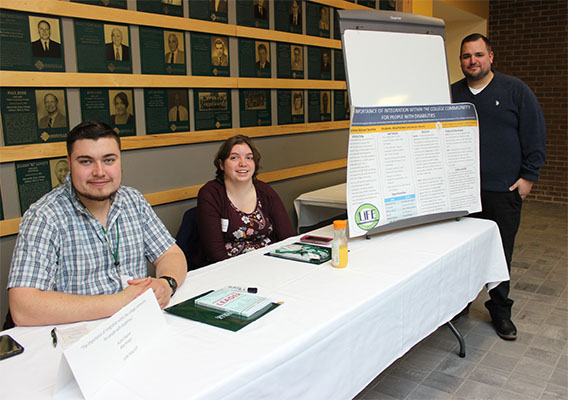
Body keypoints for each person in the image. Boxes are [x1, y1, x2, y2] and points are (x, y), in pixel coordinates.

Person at [7, 120, 186, 326]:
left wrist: (166, 283)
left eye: (108, 160)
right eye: (86, 161)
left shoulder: (133, 201)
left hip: (137, 326)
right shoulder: (44, 216)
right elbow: (23, 307)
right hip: (79, 336)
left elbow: (171, 254)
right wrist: (119, 302)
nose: (99, 171)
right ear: (69, 162)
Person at [451, 33, 546, 340]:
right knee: (462, 252)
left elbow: (535, 133)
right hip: (461, 193)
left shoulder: (515, 90)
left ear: (491, 57)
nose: (472, 61)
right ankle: (459, 304)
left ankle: (500, 310)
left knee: (500, 253)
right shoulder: (450, 93)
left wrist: (528, 177)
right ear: (461, 60)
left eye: (478, 55)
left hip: (503, 191)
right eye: (467, 56)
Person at [192, 135, 294, 267]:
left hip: (270, 264)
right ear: (221, 164)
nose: (243, 163)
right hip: (228, 269)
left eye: (249, 158)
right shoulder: (211, 194)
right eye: (234, 157)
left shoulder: (265, 191)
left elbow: (287, 238)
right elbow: (215, 253)